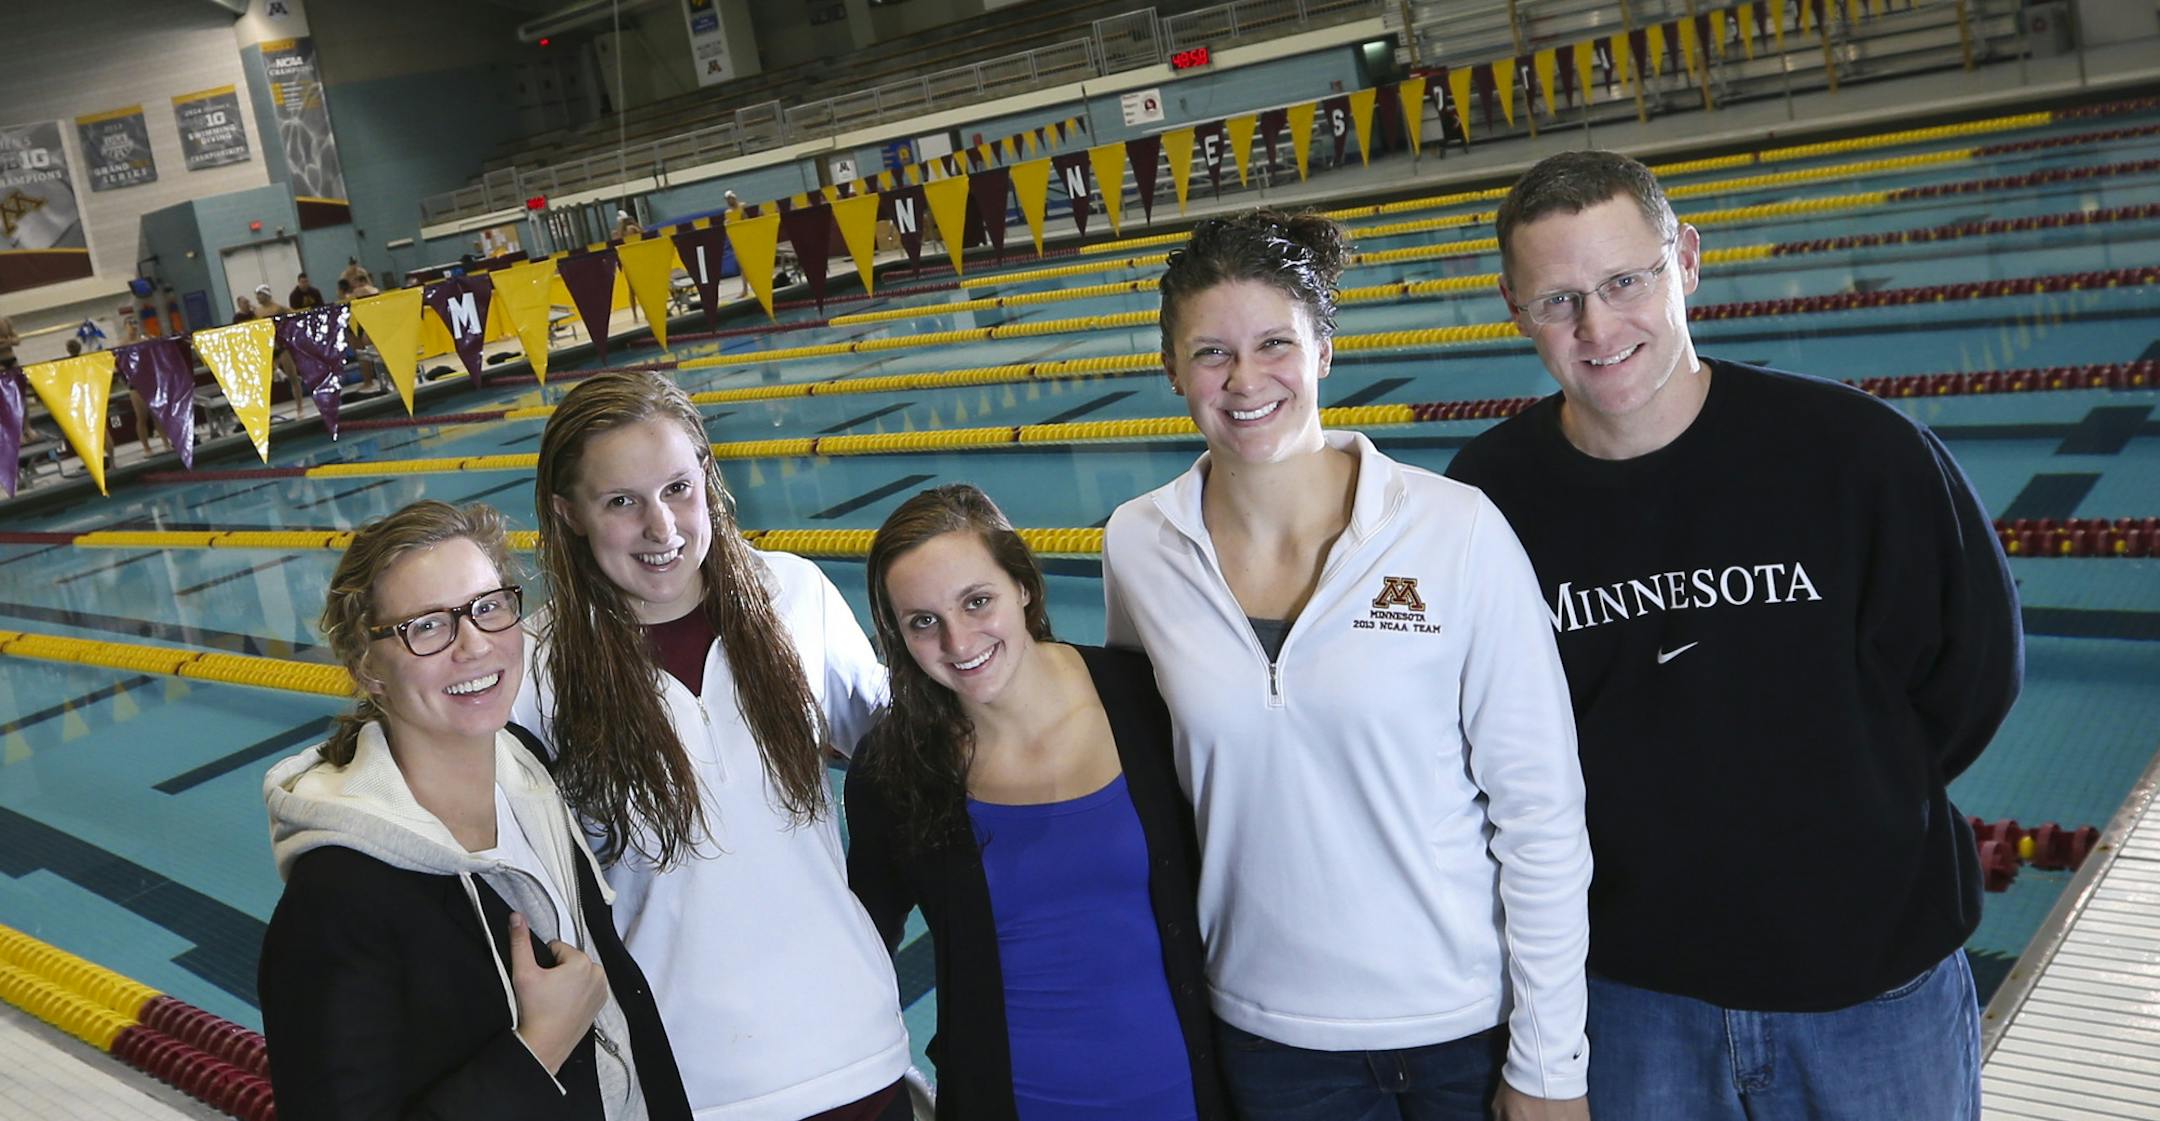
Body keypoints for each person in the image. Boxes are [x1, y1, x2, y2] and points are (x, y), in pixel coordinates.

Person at [1444, 150, 2024, 1121]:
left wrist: (1852, 806)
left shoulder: (1855, 453)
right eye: (1560, 300)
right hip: (1630, 997)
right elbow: (1472, 743)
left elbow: (1973, 676)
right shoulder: (1485, 500)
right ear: (1515, 307)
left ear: (1688, 261)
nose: (1599, 327)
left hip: (1870, 981)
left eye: (1626, 281)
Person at [1101, 209, 1592, 1121]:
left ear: (1323, 349)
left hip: (1465, 1028)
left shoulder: (1456, 530)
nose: (1245, 380)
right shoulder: (1141, 543)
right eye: (1211, 353)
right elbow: (1151, 777)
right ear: (1172, 370)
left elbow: (1541, 810)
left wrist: (1550, 1061)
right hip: (1269, 1036)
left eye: (1273, 344)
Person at [510, 371, 909, 1120]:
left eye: (677, 488)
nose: (661, 528)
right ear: (569, 515)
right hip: (682, 1079)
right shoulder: (536, 667)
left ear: (707, 479)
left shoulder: (793, 596)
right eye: (621, 502)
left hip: (854, 1047)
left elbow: (912, 752)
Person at [258, 499, 693, 1120]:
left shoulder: (527, 774)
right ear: (367, 665)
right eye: (427, 626)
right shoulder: (336, 902)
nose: (473, 646)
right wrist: (536, 1050)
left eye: (488, 609)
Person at [847, 485, 1228, 1121]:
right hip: (1012, 1100)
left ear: (1022, 584)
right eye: (923, 622)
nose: (958, 640)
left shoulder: (1147, 699)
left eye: (977, 601)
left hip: (1182, 1092)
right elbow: (861, 947)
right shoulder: (894, 769)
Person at [251, 284, 309, 421]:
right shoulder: (257, 312)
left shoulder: (278, 308)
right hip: (268, 346)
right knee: (263, 381)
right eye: (257, 295)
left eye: (259, 294)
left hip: (281, 345)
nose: (257, 298)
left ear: (266, 295)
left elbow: (296, 315)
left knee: (293, 377)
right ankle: (264, 413)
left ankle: (300, 408)